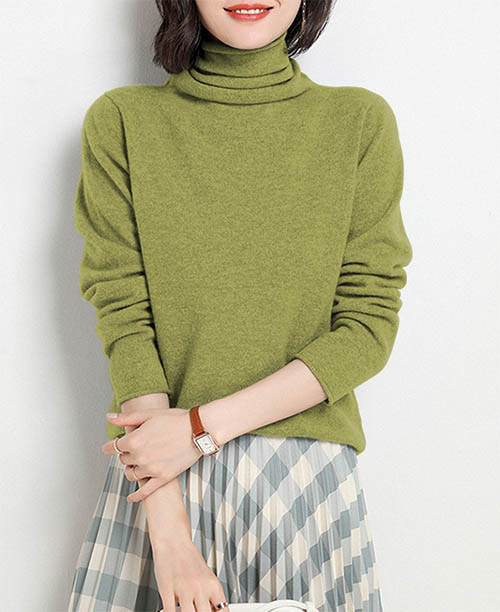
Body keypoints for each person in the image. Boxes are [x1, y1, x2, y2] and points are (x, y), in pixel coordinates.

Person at [67, 0, 412, 610]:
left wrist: (199, 430)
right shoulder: (122, 121)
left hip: (301, 486)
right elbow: (125, 320)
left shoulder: (357, 123)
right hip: (158, 487)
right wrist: (171, 539)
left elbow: (366, 326)